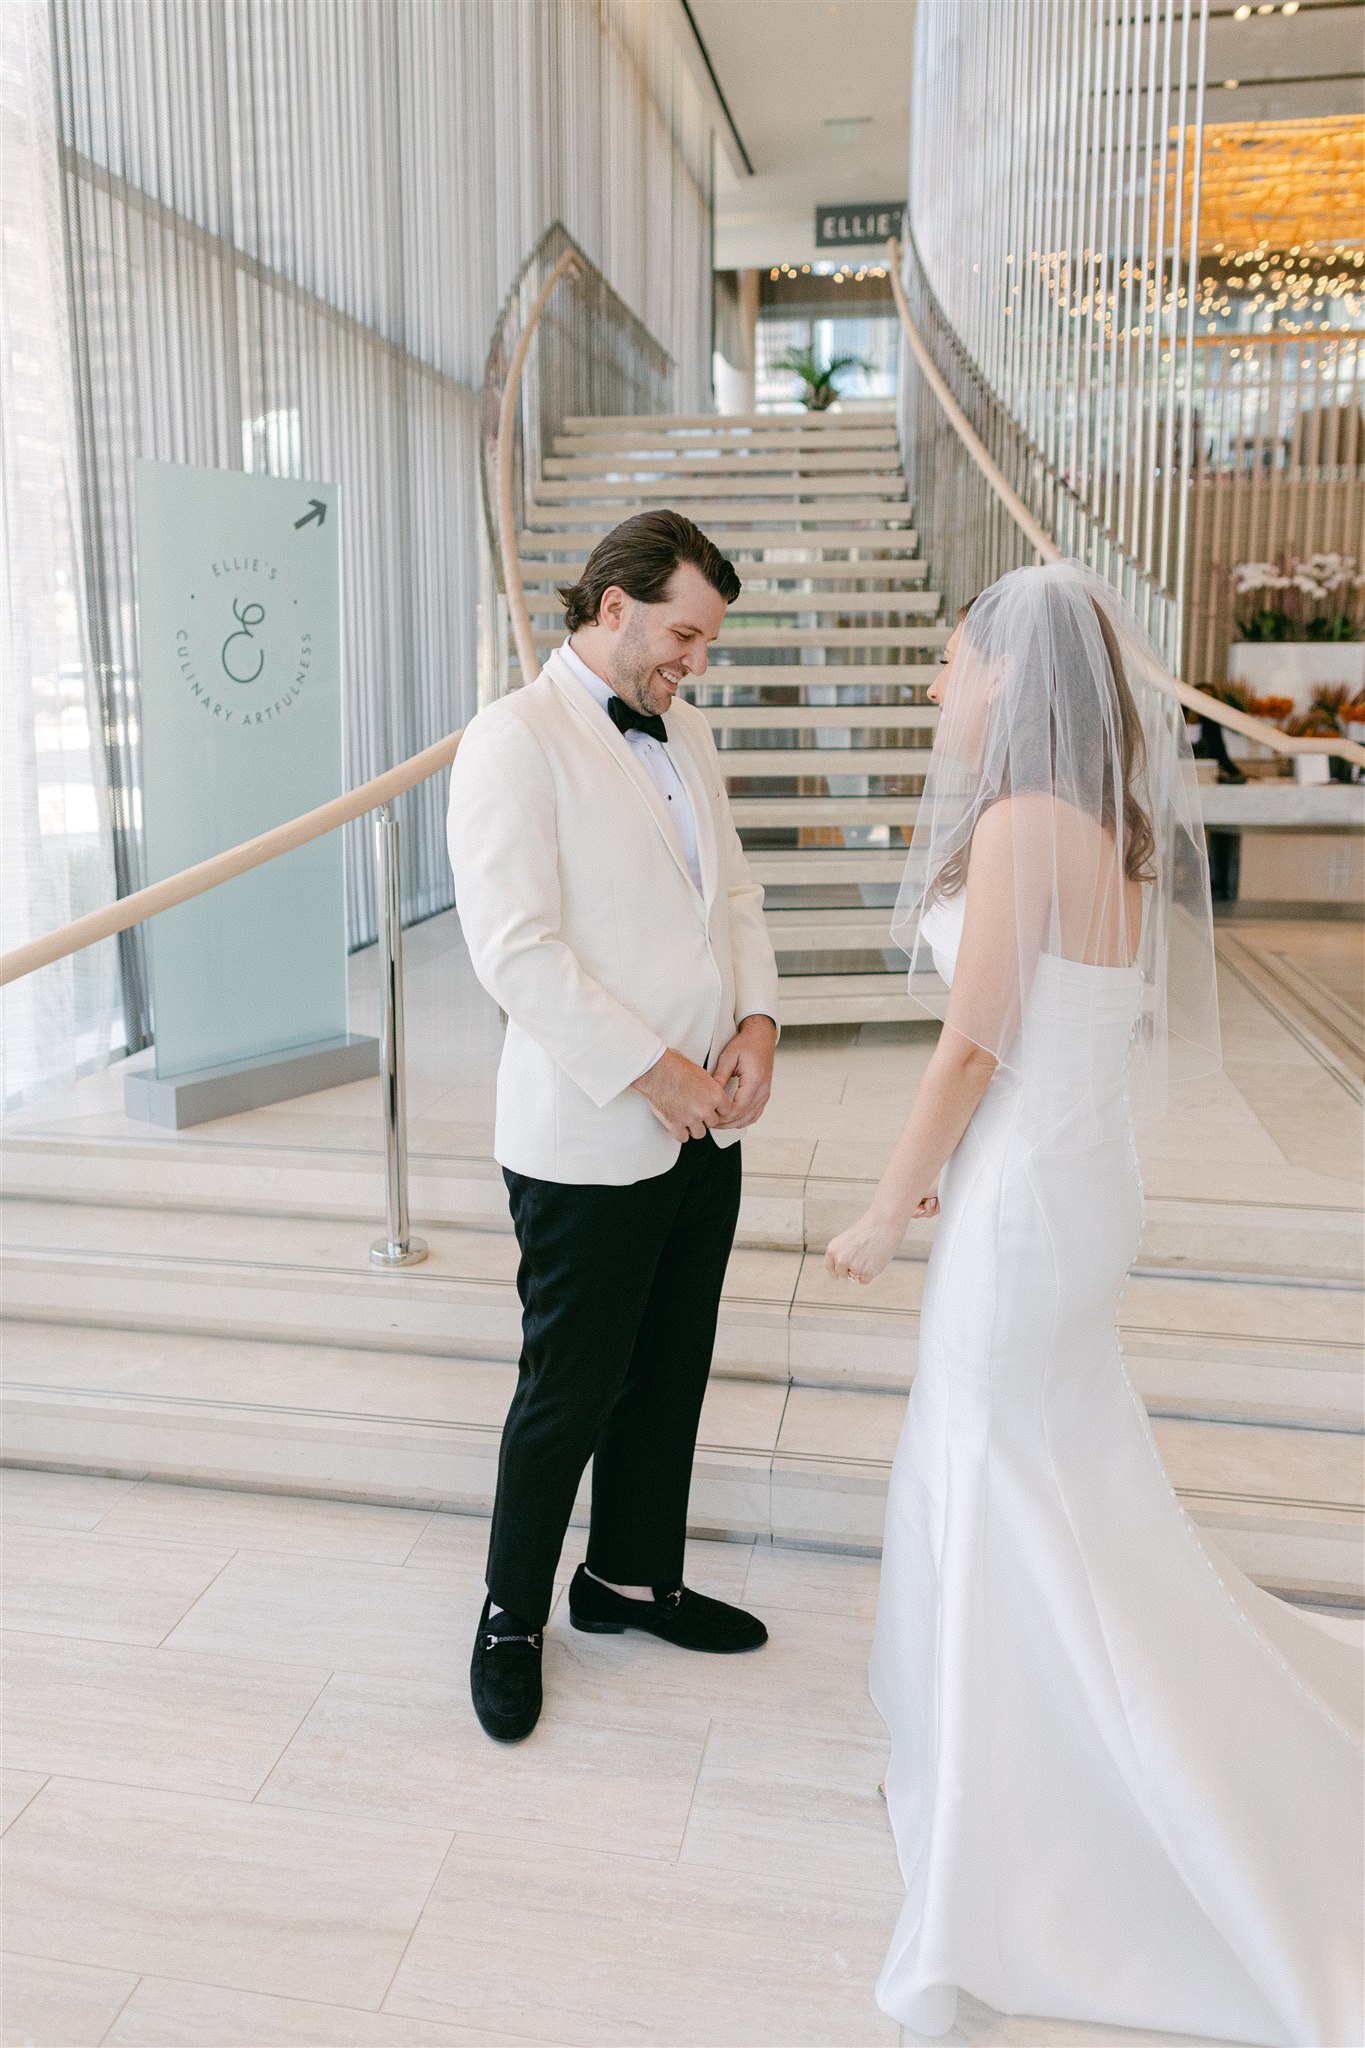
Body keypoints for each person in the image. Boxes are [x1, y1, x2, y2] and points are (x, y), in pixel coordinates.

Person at [827, 562, 1363, 2044]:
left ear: (1009, 676)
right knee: (1047, 1472)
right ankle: (1011, 1750)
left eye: (953, 664)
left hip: (1027, 1200)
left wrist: (887, 1203)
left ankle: (1017, 1821)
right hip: (1077, 1178)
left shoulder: (1017, 822)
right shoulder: (1112, 826)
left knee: (995, 1468)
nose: (942, 688)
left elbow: (970, 1043)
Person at [447, 508, 779, 1744]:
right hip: (592, 1134)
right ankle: (508, 1617)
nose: (693, 661)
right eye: (683, 634)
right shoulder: (511, 740)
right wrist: (660, 1075)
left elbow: (733, 894)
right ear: (613, 606)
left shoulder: (685, 732)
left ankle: (627, 1577)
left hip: (709, 1119)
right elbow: (515, 953)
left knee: (670, 1369)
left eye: (705, 642)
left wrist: (756, 1027)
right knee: (568, 1391)